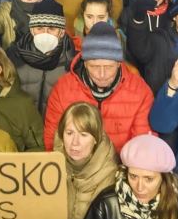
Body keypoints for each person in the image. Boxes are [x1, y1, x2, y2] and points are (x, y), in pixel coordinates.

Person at [42, 21, 152, 152]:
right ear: (85, 62)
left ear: (118, 63)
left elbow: (143, 144)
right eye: (94, 67)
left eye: (109, 67)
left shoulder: (140, 91)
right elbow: (53, 139)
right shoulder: (63, 89)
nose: (102, 75)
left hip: (120, 167)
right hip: (75, 167)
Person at [54, 102, 120, 219]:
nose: (75, 142)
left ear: (96, 138)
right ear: (61, 134)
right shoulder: (51, 167)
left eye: (84, 135)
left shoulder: (111, 177)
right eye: (69, 133)